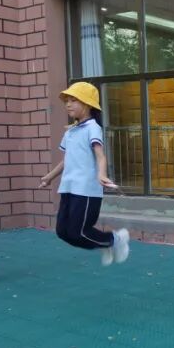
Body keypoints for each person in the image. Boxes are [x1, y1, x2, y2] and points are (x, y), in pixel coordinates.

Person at [38, 82, 129, 266]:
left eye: (73, 100)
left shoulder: (93, 128)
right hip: (68, 188)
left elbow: (100, 156)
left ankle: (114, 240)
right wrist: (49, 177)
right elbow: (67, 160)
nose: (68, 104)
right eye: (67, 101)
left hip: (86, 190)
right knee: (63, 232)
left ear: (87, 104)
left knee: (77, 232)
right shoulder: (71, 131)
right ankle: (105, 243)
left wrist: (101, 174)